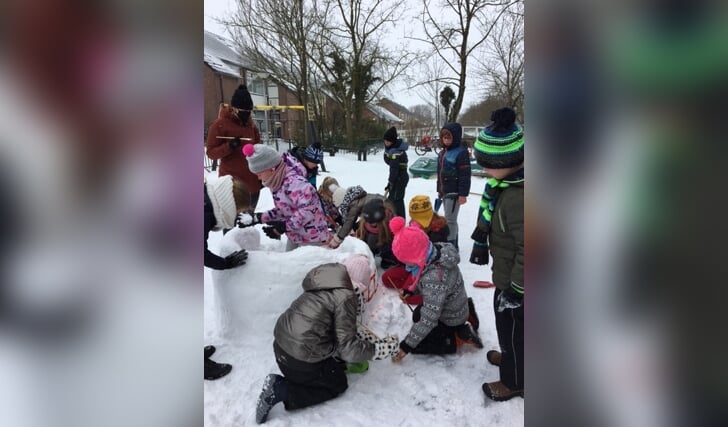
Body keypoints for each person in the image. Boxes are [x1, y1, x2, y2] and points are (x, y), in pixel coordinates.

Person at [255, 263, 399, 424]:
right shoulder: (346, 296)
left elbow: (334, 327)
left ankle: (305, 377)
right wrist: (380, 349)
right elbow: (348, 350)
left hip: (282, 349)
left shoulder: (325, 283)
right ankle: (282, 389)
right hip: (299, 361)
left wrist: (362, 337)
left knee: (334, 368)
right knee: (337, 384)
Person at [469, 106, 524, 402]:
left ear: (509, 160)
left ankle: (516, 381)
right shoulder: (503, 185)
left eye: (488, 165)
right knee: (508, 331)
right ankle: (513, 360)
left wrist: (517, 290)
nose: (485, 171)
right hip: (507, 278)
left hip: (519, 287)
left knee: (516, 332)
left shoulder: (520, 198)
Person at [387, 217, 483, 361]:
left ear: (416, 257)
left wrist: (407, 346)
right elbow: (425, 279)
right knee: (417, 315)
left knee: (420, 344)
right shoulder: (436, 251)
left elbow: (429, 319)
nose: (405, 265)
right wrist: (411, 291)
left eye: (406, 261)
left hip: (451, 318)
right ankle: (466, 313)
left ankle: (456, 338)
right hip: (454, 304)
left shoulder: (435, 278)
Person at [203, 175, 251, 380]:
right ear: (229, 204)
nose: (237, 214)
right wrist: (225, 264)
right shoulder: (202, 211)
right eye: (238, 210)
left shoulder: (204, 198)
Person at [239, 144, 330, 250]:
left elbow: (308, 211)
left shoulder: (295, 183)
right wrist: (258, 218)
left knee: (303, 266)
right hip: (296, 234)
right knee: (289, 264)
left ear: (271, 169)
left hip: (312, 237)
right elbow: (285, 209)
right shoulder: (278, 181)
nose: (258, 177)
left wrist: (284, 226)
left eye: (259, 173)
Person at [381, 195, 450, 305]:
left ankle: (433, 294)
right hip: (411, 265)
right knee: (387, 278)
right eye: (414, 217)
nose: (414, 221)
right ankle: (413, 281)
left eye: (418, 218)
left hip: (428, 268)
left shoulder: (439, 230)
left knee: (408, 298)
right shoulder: (413, 226)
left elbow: (436, 259)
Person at [205, 84, 263, 210]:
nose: (247, 114)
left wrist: (261, 177)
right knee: (232, 226)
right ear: (234, 109)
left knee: (248, 224)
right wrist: (229, 146)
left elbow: (259, 150)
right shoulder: (219, 125)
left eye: (249, 112)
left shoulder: (251, 126)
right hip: (232, 186)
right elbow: (211, 153)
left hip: (252, 185)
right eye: (244, 111)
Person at [327, 185, 397, 267]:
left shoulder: (354, 205)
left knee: (380, 237)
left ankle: (383, 256)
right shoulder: (356, 197)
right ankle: (374, 251)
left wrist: (338, 238)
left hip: (383, 216)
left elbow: (349, 222)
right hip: (381, 212)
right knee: (370, 233)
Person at [436, 122, 471, 248]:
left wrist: (463, 194)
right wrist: (439, 189)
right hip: (445, 191)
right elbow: (439, 172)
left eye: (448, 137)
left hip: (454, 192)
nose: (446, 140)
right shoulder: (442, 153)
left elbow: (465, 175)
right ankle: (453, 242)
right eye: (444, 137)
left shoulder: (461, 153)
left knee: (450, 220)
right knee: (449, 219)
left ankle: (450, 246)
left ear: (455, 137)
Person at [355, 198, 398, 269]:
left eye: (374, 224)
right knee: (368, 240)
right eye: (368, 222)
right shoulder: (364, 222)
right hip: (373, 241)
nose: (370, 224)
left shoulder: (391, 223)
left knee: (386, 247)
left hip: (387, 241)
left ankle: (388, 259)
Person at [382, 127, 409, 218]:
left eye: (388, 141)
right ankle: (393, 218)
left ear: (393, 141)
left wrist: (391, 182)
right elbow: (388, 161)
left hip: (400, 177)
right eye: (385, 141)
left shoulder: (396, 152)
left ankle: (400, 219)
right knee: (392, 198)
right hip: (396, 176)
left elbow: (394, 168)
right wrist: (390, 183)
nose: (386, 143)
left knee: (397, 199)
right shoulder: (390, 148)